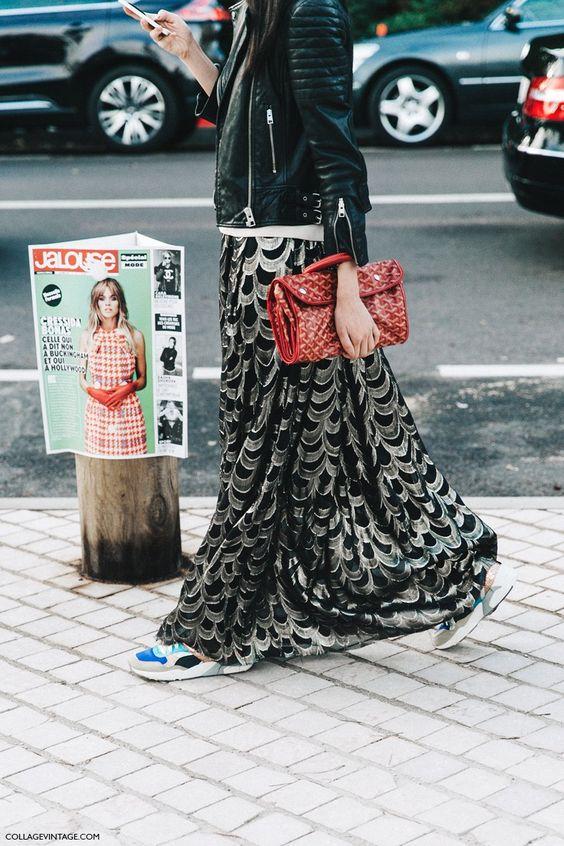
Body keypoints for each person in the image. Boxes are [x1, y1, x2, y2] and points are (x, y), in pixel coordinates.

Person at [126, 0, 515, 681]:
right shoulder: (262, 9)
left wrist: (347, 284)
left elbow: (336, 151)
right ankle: (466, 576)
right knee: (364, 430)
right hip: (253, 254)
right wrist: (190, 54)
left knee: (262, 443)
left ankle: (214, 630)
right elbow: (254, 121)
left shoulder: (307, 11)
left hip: (292, 262)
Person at [80, 278, 148, 457]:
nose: (108, 303)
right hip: (97, 409)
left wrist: (129, 387)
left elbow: (142, 379)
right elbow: (81, 378)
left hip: (127, 408)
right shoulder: (87, 336)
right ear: (96, 303)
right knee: (99, 463)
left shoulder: (135, 336)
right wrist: (94, 392)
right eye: (102, 298)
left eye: (113, 298)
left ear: (120, 302)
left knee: (130, 462)